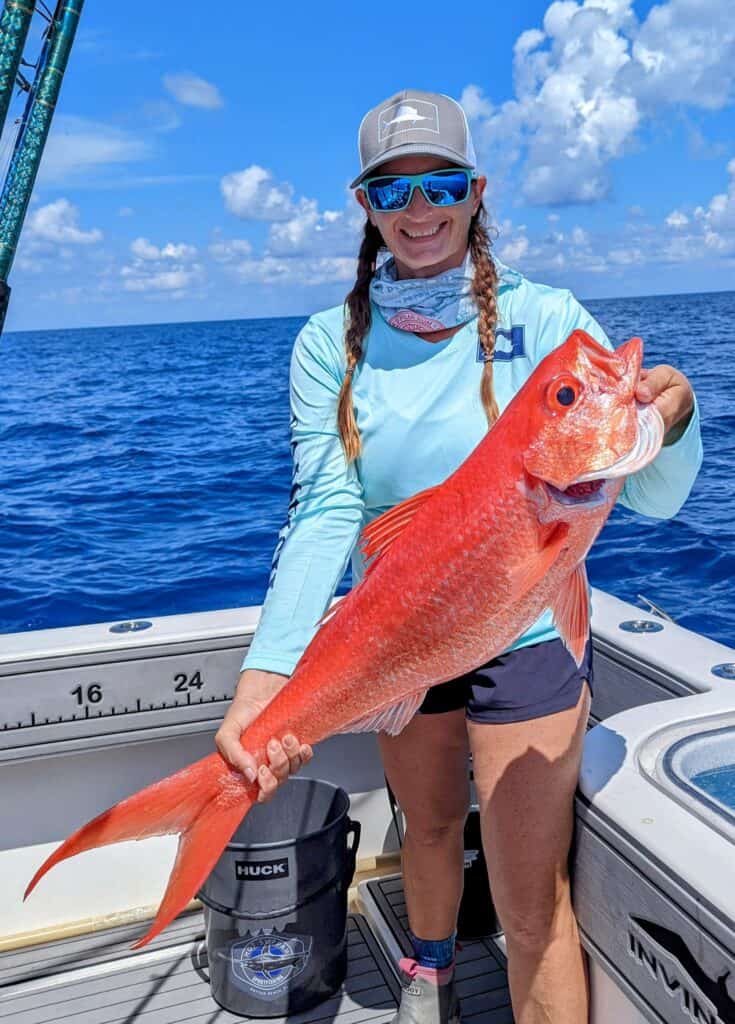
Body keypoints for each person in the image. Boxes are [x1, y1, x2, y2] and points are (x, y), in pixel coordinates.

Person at [216, 90, 702, 1024]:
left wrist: (671, 419)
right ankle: (428, 971)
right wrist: (265, 678)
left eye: (440, 184)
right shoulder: (329, 342)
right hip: (401, 624)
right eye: (391, 193)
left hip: (524, 628)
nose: (419, 210)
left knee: (531, 898)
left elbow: (651, 493)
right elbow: (324, 510)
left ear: (476, 191)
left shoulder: (551, 319)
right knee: (429, 826)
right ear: (362, 206)